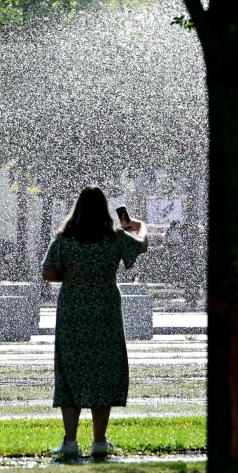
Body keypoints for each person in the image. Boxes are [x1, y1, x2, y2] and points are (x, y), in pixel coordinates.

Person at [41, 185, 148, 458]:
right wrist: (138, 225)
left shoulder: (63, 240)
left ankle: (70, 442)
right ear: (103, 209)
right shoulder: (114, 239)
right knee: (102, 371)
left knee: (70, 372)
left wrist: (76, 276)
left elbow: (48, 273)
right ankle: (99, 442)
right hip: (105, 313)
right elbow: (143, 245)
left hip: (72, 313)